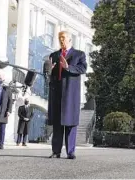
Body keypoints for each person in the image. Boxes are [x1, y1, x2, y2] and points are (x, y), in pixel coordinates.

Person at [44, 31, 87, 159]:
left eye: (63, 38)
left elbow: (83, 69)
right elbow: (47, 72)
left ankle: (70, 152)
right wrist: (49, 70)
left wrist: (68, 67)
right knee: (57, 123)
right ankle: (56, 151)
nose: (61, 40)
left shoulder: (79, 54)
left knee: (70, 123)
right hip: (56, 93)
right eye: (59, 38)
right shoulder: (54, 55)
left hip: (70, 93)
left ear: (70, 39)